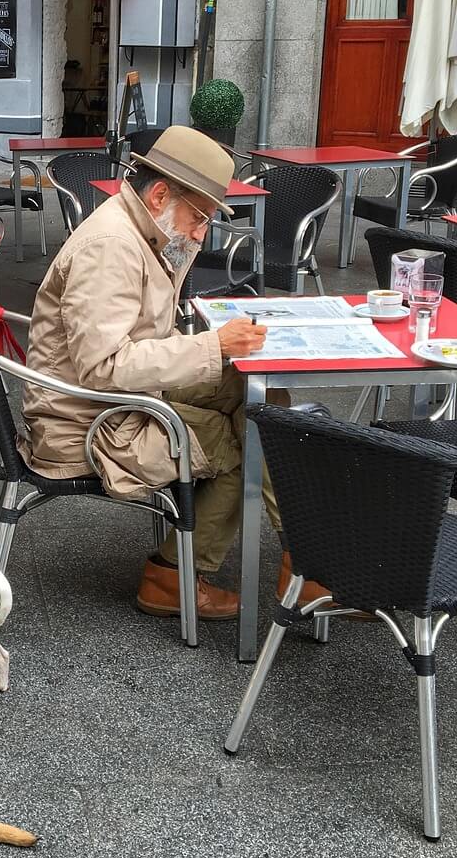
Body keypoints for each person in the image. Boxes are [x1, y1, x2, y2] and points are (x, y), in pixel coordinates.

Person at [20, 125, 314, 621]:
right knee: (245, 438)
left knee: (256, 392)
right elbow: (104, 366)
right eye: (199, 217)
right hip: (87, 425)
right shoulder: (111, 245)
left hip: (121, 401)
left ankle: (300, 552)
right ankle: (177, 576)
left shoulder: (144, 228)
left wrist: (183, 257)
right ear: (159, 193)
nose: (201, 232)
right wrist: (213, 344)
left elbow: (143, 335)